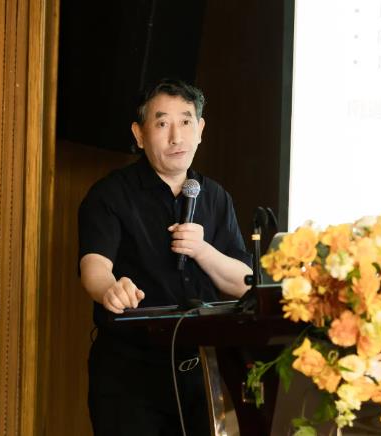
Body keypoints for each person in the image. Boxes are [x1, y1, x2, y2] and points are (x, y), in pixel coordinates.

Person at [78, 78, 253, 436]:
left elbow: (244, 284)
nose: (176, 137)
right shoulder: (110, 194)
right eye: (162, 124)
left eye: (186, 122)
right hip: (130, 377)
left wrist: (203, 250)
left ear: (200, 130)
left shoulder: (215, 197)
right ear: (139, 135)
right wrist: (111, 289)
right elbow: (93, 265)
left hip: (201, 373)